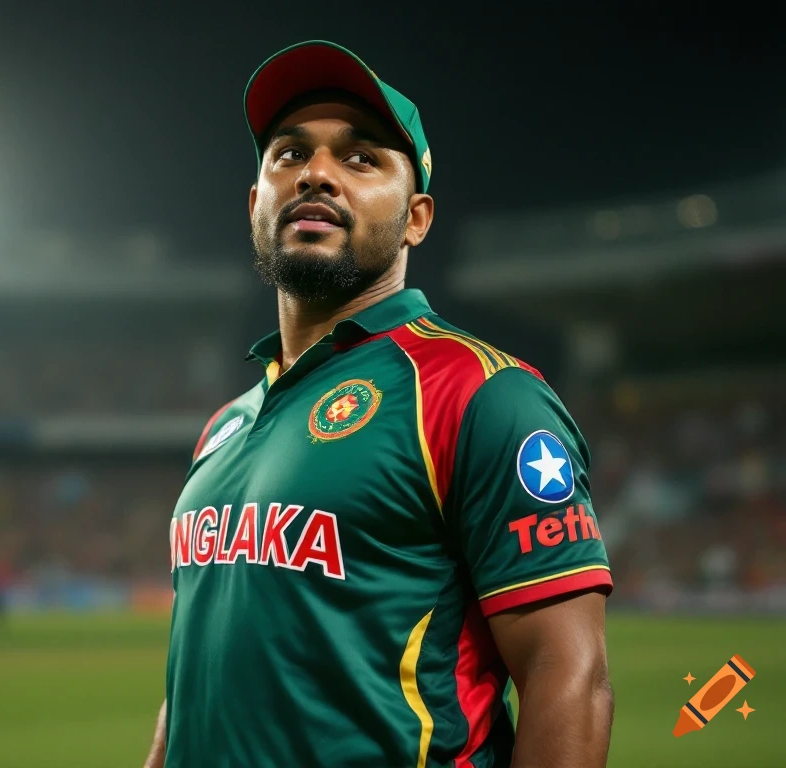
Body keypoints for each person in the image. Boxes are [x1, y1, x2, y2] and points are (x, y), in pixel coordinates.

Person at [144, 40, 614, 768]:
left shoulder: (481, 393)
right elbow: (193, 683)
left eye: (361, 158)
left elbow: (570, 680)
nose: (317, 175)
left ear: (417, 217)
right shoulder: (224, 426)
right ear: (255, 203)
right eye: (288, 155)